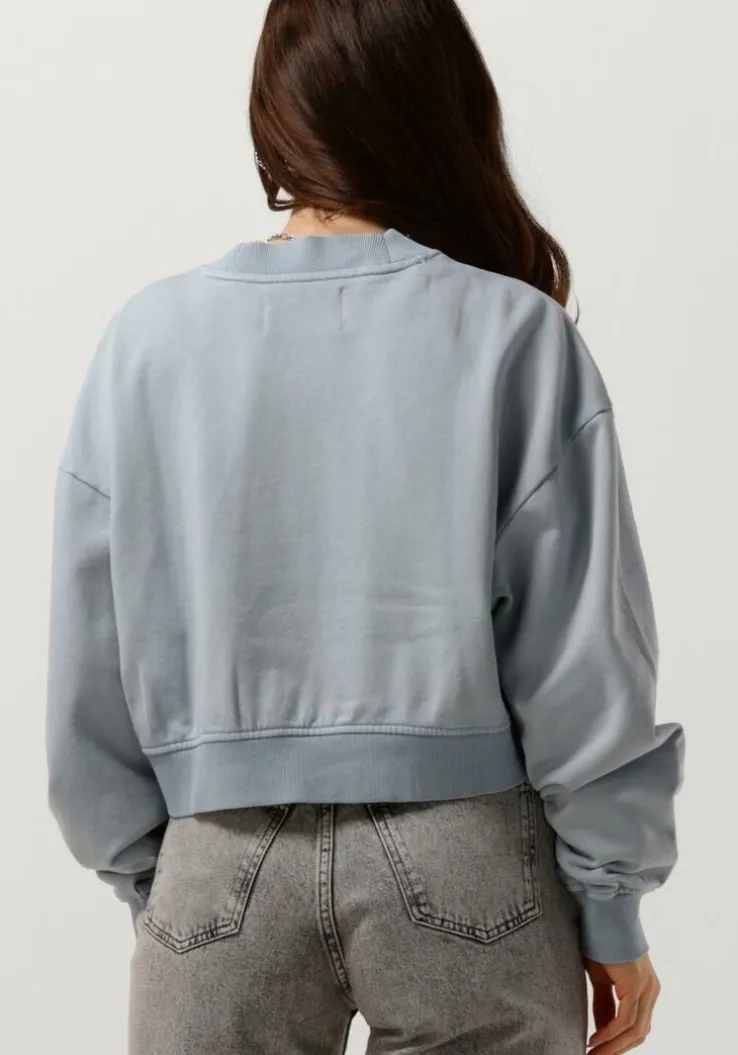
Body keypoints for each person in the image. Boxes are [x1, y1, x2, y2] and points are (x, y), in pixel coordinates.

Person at [45, 1, 684, 1053]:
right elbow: (584, 661)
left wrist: (160, 875)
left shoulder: (146, 342)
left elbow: (90, 663)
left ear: (275, 116)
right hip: (472, 855)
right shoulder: (514, 332)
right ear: (445, 107)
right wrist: (611, 902)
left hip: (215, 859)